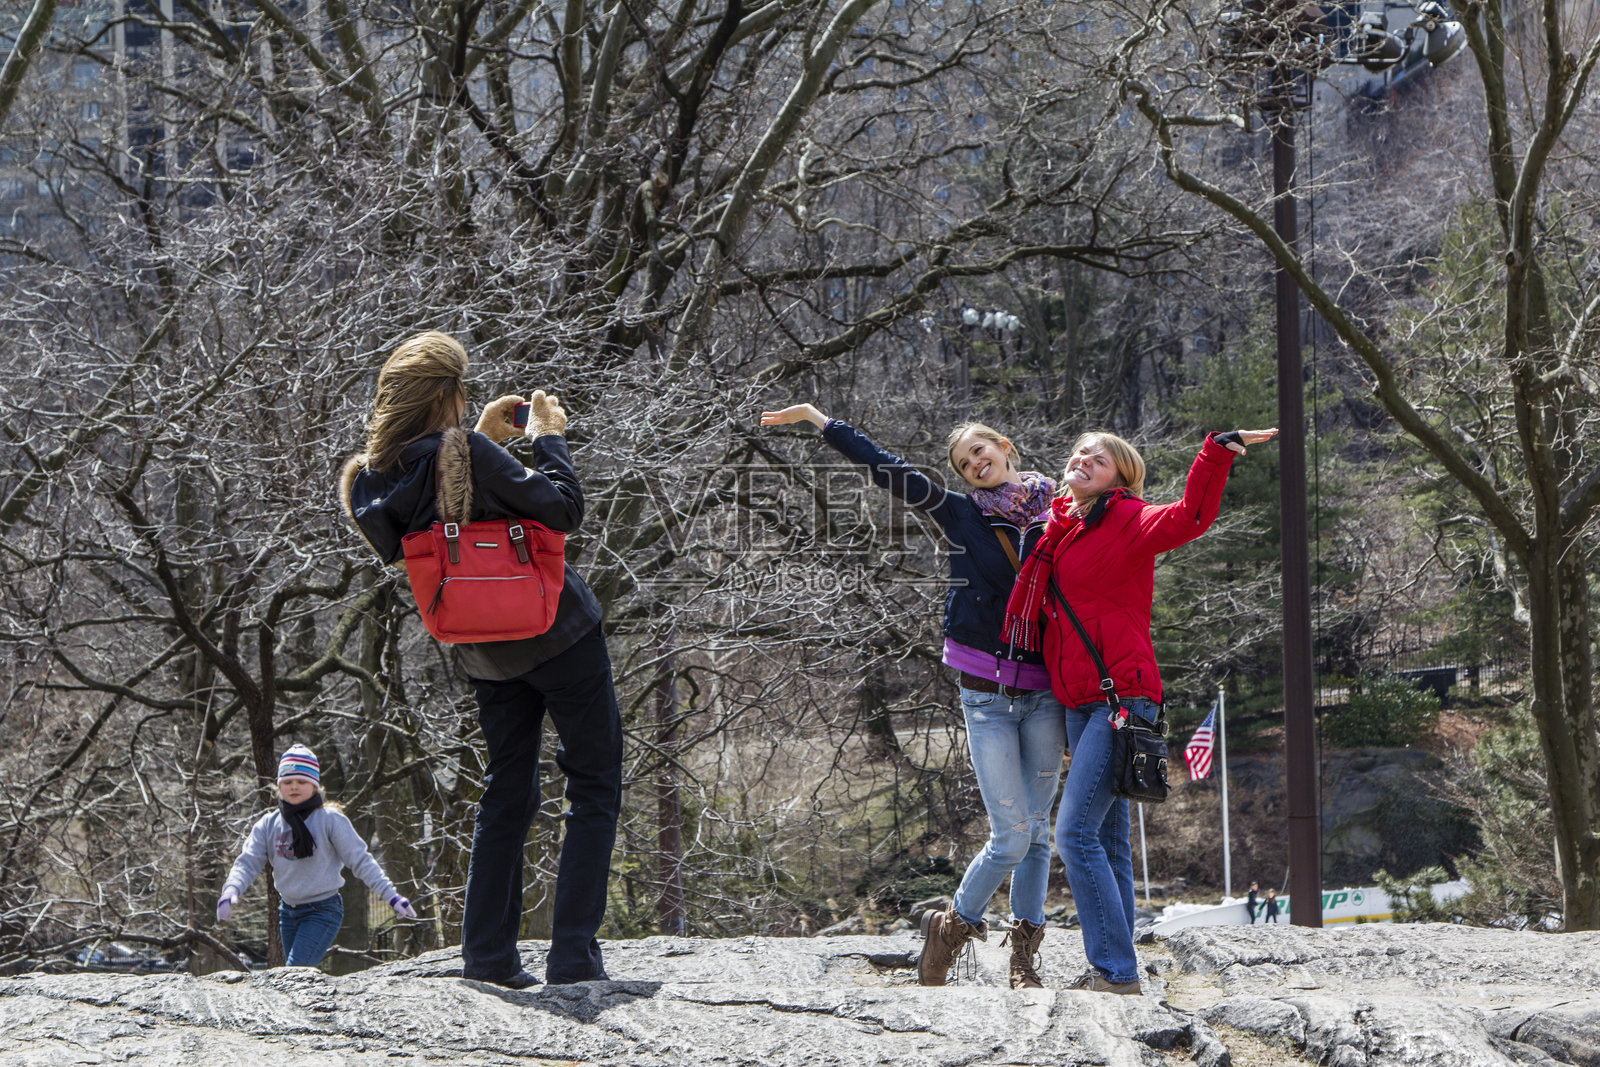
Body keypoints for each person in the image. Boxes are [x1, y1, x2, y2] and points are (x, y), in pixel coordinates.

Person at [340, 331, 622, 988]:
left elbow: (449, 499)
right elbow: (563, 509)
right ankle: (574, 956)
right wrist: (548, 439)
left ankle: (489, 957)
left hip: (484, 650)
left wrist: (483, 439)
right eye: (462, 391)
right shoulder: (463, 452)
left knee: (506, 794)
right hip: (559, 632)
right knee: (594, 786)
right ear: (446, 395)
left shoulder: (380, 479)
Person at [760, 402, 1064, 989]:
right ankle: (954, 925)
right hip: (986, 693)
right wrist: (820, 420)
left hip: (1047, 689)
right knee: (1012, 835)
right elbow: (887, 469)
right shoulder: (959, 515)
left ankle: (1024, 955)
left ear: (1005, 448)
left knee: (1039, 834)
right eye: (963, 460)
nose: (975, 462)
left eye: (981, 450)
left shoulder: (1061, 515)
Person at [1002, 426, 1277, 994]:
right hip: (1079, 701)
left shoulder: (1128, 519)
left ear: (1120, 477)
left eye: (1098, 459)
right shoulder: (1058, 530)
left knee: (1073, 832)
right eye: (1079, 453)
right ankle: (1120, 966)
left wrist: (1215, 453)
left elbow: (1190, 517)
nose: (1083, 460)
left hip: (1120, 697)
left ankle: (1115, 972)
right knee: (1106, 839)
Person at [218, 744, 417, 968]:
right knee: (297, 978)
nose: (294, 787)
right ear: (279, 786)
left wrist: (392, 896)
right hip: (288, 911)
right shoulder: (269, 824)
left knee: (293, 973)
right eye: (287, 782)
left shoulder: (330, 819)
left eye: (301, 782)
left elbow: (361, 861)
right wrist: (231, 889)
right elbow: (247, 862)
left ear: (314, 786)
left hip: (322, 911)